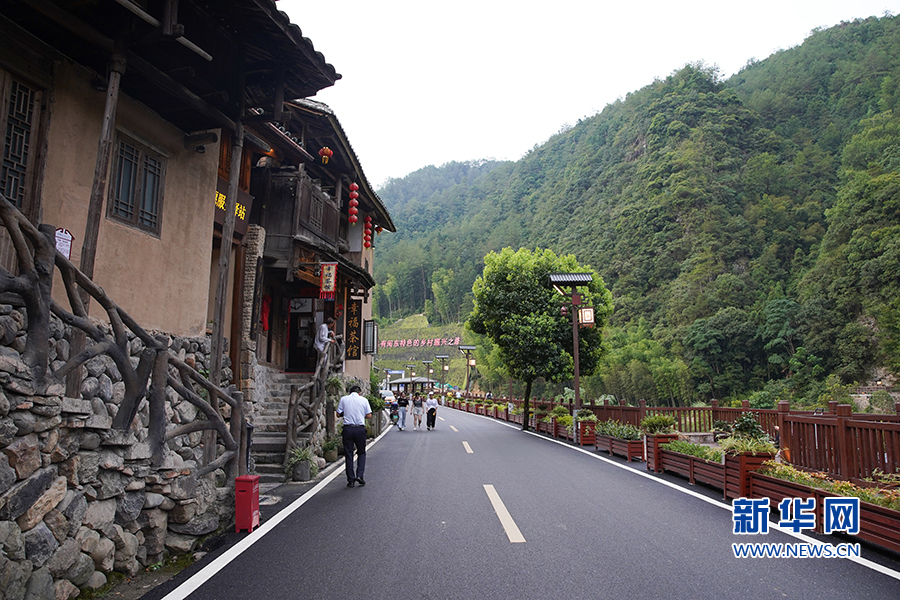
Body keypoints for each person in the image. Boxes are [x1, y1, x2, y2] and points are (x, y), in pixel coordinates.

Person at [336, 384, 371, 487]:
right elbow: (369, 415)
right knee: (361, 453)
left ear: (349, 393)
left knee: (349, 454)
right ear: (360, 393)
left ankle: (350, 479)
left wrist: (346, 414)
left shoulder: (344, 399)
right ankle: (360, 475)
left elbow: (338, 414)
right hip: (359, 429)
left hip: (348, 429)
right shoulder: (364, 400)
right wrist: (360, 414)